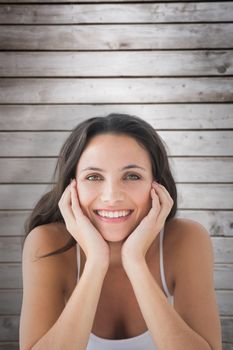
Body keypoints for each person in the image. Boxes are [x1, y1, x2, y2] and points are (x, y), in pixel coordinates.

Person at [19, 113, 222, 350]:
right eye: (93, 177)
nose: (112, 196)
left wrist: (134, 261)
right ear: (71, 187)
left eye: (132, 176)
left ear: (157, 185)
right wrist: (96, 262)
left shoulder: (187, 239)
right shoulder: (46, 243)